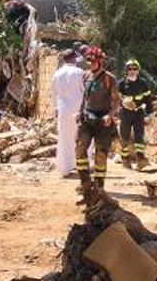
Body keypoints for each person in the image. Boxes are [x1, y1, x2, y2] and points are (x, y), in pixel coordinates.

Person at [76, 46, 120, 205]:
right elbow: (85, 98)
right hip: (87, 118)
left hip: (103, 120)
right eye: (88, 60)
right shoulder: (85, 76)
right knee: (80, 149)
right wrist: (80, 112)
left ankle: (99, 187)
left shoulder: (109, 78)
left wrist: (110, 115)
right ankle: (85, 184)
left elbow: (116, 100)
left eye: (93, 60)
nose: (91, 63)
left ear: (100, 61)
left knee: (101, 154)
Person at [51, 49, 85, 178]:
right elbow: (84, 91)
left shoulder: (57, 73)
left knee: (65, 138)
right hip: (78, 109)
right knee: (83, 137)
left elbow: (54, 93)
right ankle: (84, 165)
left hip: (63, 109)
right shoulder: (79, 72)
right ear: (73, 59)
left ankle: (65, 168)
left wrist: (55, 109)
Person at [117, 59, 155, 171]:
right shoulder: (122, 83)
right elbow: (116, 98)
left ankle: (140, 160)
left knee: (139, 135)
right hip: (125, 114)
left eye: (134, 69)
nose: (132, 71)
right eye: (129, 69)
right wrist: (123, 102)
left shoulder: (143, 83)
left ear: (138, 70)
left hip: (138, 113)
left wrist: (150, 114)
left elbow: (148, 99)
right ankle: (125, 160)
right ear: (126, 70)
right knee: (124, 137)